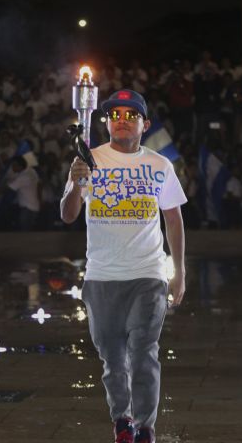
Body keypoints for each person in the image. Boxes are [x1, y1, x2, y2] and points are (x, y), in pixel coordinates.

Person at [60, 89, 186, 443]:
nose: (122, 121)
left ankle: (145, 427)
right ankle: (122, 421)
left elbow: (173, 219)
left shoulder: (160, 165)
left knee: (144, 353)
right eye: (115, 115)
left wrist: (179, 272)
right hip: (102, 276)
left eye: (131, 116)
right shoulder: (88, 159)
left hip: (148, 274)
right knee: (113, 360)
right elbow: (68, 214)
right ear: (106, 122)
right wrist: (76, 183)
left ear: (145, 124)